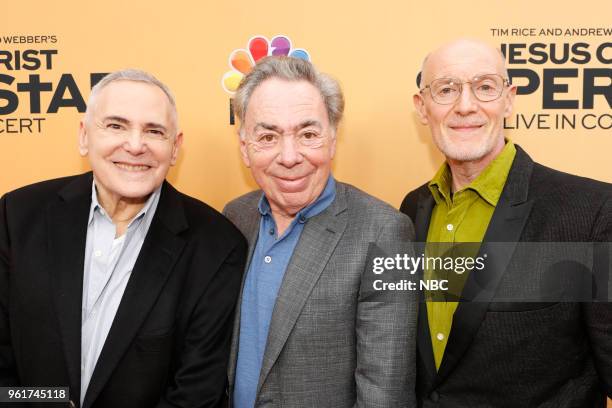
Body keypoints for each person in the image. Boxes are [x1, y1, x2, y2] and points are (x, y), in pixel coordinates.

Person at [0, 69, 247, 408]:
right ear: (85, 136)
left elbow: (196, 393)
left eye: (154, 131)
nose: (134, 145)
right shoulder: (17, 216)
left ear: (175, 149)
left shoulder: (216, 246)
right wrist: (48, 402)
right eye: (115, 126)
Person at [400, 38, 612, 407]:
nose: (466, 106)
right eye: (446, 89)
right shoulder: (411, 208)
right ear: (422, 106)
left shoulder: (590, 210)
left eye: (484, 87)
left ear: (509, 99)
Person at [224, 56, 417, 407]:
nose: (289, 156)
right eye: (267, 136)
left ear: (331, 140)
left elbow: (383, 394)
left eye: (308, 134)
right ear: (245, 149)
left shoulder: (385, 233)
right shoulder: (235, 216)